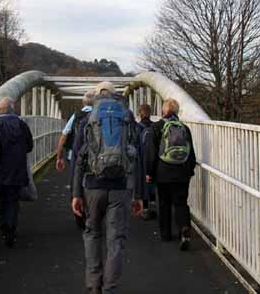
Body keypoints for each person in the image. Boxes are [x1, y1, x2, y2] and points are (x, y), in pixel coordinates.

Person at [71, 81, 144, 294]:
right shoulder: (128, 117)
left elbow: (78, 158)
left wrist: (76, 193)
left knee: (92, 233)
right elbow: (137, 156)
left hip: (92, 186)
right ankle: (110, 289)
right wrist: (139, 194)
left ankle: (94, 285)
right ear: (115, 95)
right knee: (116, 240)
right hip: (121, 187)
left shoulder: (88, 118)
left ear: (97, 95)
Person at [0, 97, 34, 248]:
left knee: (2, 198)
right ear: (13, 108)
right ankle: (11, 228)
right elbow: (29, 145)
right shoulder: (22, 125)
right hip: (17, 168)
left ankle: (4, 227)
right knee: (13, 199)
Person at [144, 98, 197, 251]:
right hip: (182, 172)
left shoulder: (157, 127)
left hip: (163, 173)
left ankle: (166, 234)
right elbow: (191, 152)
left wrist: (149, 172)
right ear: (177, 111)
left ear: (164, 111)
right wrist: (190, 169)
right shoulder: (184, 128)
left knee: (164, 203)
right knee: (181, 203)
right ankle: (184, 229)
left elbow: (151, 153)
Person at [55, 90, 95, 229]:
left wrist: (59, 156)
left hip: (76, 157)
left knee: (76, 185)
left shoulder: (76, 116)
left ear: (83, 103)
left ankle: (79, 216)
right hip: (94, 159)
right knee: (93, 186)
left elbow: (64, 135)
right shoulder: (98, 116)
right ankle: (93, 216)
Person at [136, 104, 156, 220]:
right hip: (153, 160)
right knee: (153, 184)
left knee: (143, 185)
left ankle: (145, 209)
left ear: (140, 114)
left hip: (142, 160)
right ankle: (154, 205)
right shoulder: (154, 126)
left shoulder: (138, 127)